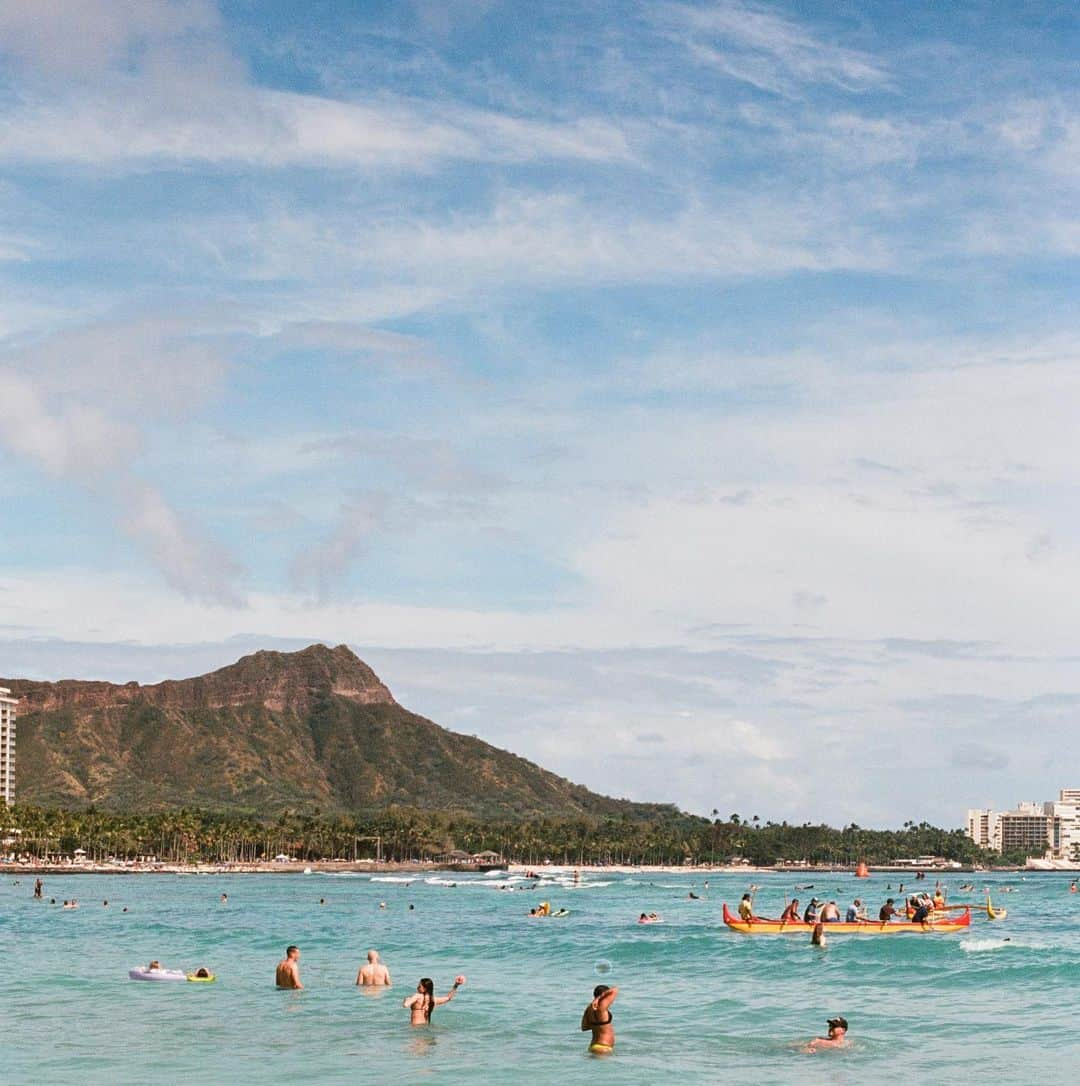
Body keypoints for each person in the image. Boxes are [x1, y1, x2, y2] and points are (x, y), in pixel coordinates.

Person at [581, 983, 617, 1055]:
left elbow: (584, 1027)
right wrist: (600, 997)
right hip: (603, 1048)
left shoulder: (589, 1008)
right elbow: (615, 990)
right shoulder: (601, 1007)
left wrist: (599, 1026)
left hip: (594, 1046)